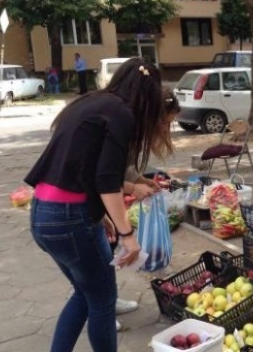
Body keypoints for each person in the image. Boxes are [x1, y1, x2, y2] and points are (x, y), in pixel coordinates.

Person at [25, 58, 163, 352]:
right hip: (69, 219)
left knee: (85, 293)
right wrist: (128, 236)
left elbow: (78, 168)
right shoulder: (122, 113)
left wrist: (99, 215)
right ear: (148, 95)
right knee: (102, 300)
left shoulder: (91, 102)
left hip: (43, 214)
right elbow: (106, 179)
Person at [114, 88, 181, 331]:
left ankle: (106, 301)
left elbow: (124, 167)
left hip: (101, 205)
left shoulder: (134, 135)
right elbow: (100, 177)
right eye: (164, 122)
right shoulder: (122, 128)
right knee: (93, 271)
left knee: (105, 253)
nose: (166, 129)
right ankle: (98, 309)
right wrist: (133, 187)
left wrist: (142, 181)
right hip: (87, 204)